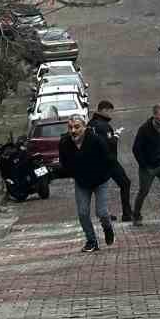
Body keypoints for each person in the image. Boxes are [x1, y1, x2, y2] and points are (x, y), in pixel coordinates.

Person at [58, 114, 115, 252]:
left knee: (101, 212)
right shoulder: (64, 142)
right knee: (83, 212)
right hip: (82, 182)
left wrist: (103, 172)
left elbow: (109, 158)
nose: (73, 131)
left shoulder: (95, 140)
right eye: (70, 127)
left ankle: (107, 227)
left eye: (77, 127)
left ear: (85, 127)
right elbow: (64, 163)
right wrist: (73, 173)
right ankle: (91, 241)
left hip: (100, 180)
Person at [130, 104, 160, 226]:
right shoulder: (144, 129)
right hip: (148, 167)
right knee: (143, 192)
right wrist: (144, 164)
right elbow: (136, 149)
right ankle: (136, 215)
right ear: (154, 115)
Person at [89, 100, 133, 222]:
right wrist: (116, 135)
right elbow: (109, 144)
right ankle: (127, 213)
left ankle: (104, 213)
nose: (111, 114)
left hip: (96, 162)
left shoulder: (90, 124)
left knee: (101, 187)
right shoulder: (104, 126)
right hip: (109, 161)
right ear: (104, 110)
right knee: (125, 183)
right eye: (110, 111)